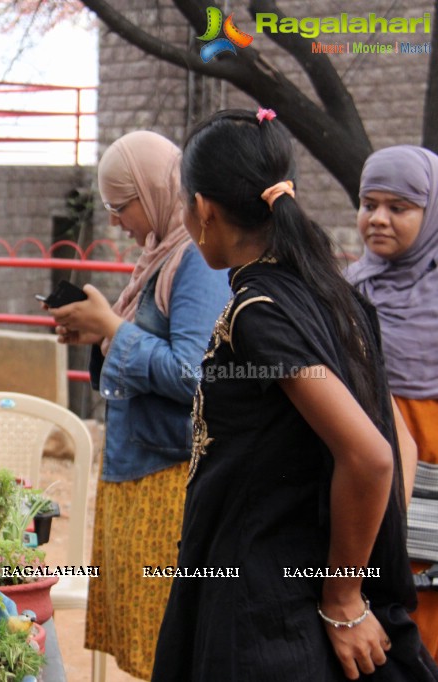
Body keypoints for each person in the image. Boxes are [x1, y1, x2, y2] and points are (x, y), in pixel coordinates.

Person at [151, 108, 438, 681]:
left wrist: (344, 598)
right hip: (281, 583)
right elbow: (396, 442)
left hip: (262, 605)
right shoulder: (331, 293)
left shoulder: (259, 312)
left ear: (203, 210)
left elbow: (372, 454)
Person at [46, 131, 230, 679]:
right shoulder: (161, 254)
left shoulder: (195, 259)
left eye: (118, 205)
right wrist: (99, 334)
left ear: (154, 191)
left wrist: (111, 329)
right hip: (138, 469)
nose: (115, 220)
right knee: (143, 642)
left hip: (168, 480)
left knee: (162, 644)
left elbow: (196, 374)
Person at [347, 145, 438, 658]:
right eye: (369, 204)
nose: (378, 219)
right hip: (372, 484)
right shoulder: (348, 291)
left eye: (398, 208)